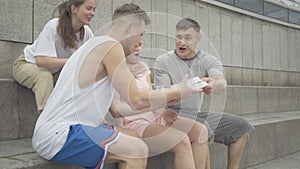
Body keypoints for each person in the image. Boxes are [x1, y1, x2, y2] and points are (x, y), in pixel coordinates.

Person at [32, 4, 200, 169]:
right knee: (137, 150)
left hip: (58, 130)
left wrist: (169, 98)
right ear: (129, 27)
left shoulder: (97, 45)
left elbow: (118, 110)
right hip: (60, 133)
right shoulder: (110, 46)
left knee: (133, 136)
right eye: (140, 34)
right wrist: (178, 91)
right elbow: (137, 99)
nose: (140, 42)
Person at [154, 18, 254, 169]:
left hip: (196, 113)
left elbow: (221, 83)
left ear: (198, 39)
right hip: (171, 114)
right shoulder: (163, 61)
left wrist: (212, 84)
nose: (182, 42)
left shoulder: (208, 60)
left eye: (187, 38)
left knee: (241, 126)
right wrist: (182, 88)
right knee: (203, 127)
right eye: (178, 37)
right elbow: (161, 93)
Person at [110, 42, 211, 169]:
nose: (138, 49)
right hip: (135, 123)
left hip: (154, 117)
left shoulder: (143, 67)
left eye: (140, 45)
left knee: (201, 131)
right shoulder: (115, 71)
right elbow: (117, 109)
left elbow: (150, 95)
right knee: (181, 140)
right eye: (134, 45)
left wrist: (162, 112)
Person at [13, 0, 96, 113]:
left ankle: (97, 123)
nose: (92, 13)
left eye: (94, 9)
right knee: (44, 76)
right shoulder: (54, 26)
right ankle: (47, 120)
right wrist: (72, 61)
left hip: (55, 70)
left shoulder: (87, 34)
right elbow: (41, 60)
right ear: (74, 9)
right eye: (89, 8)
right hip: (26, 64)